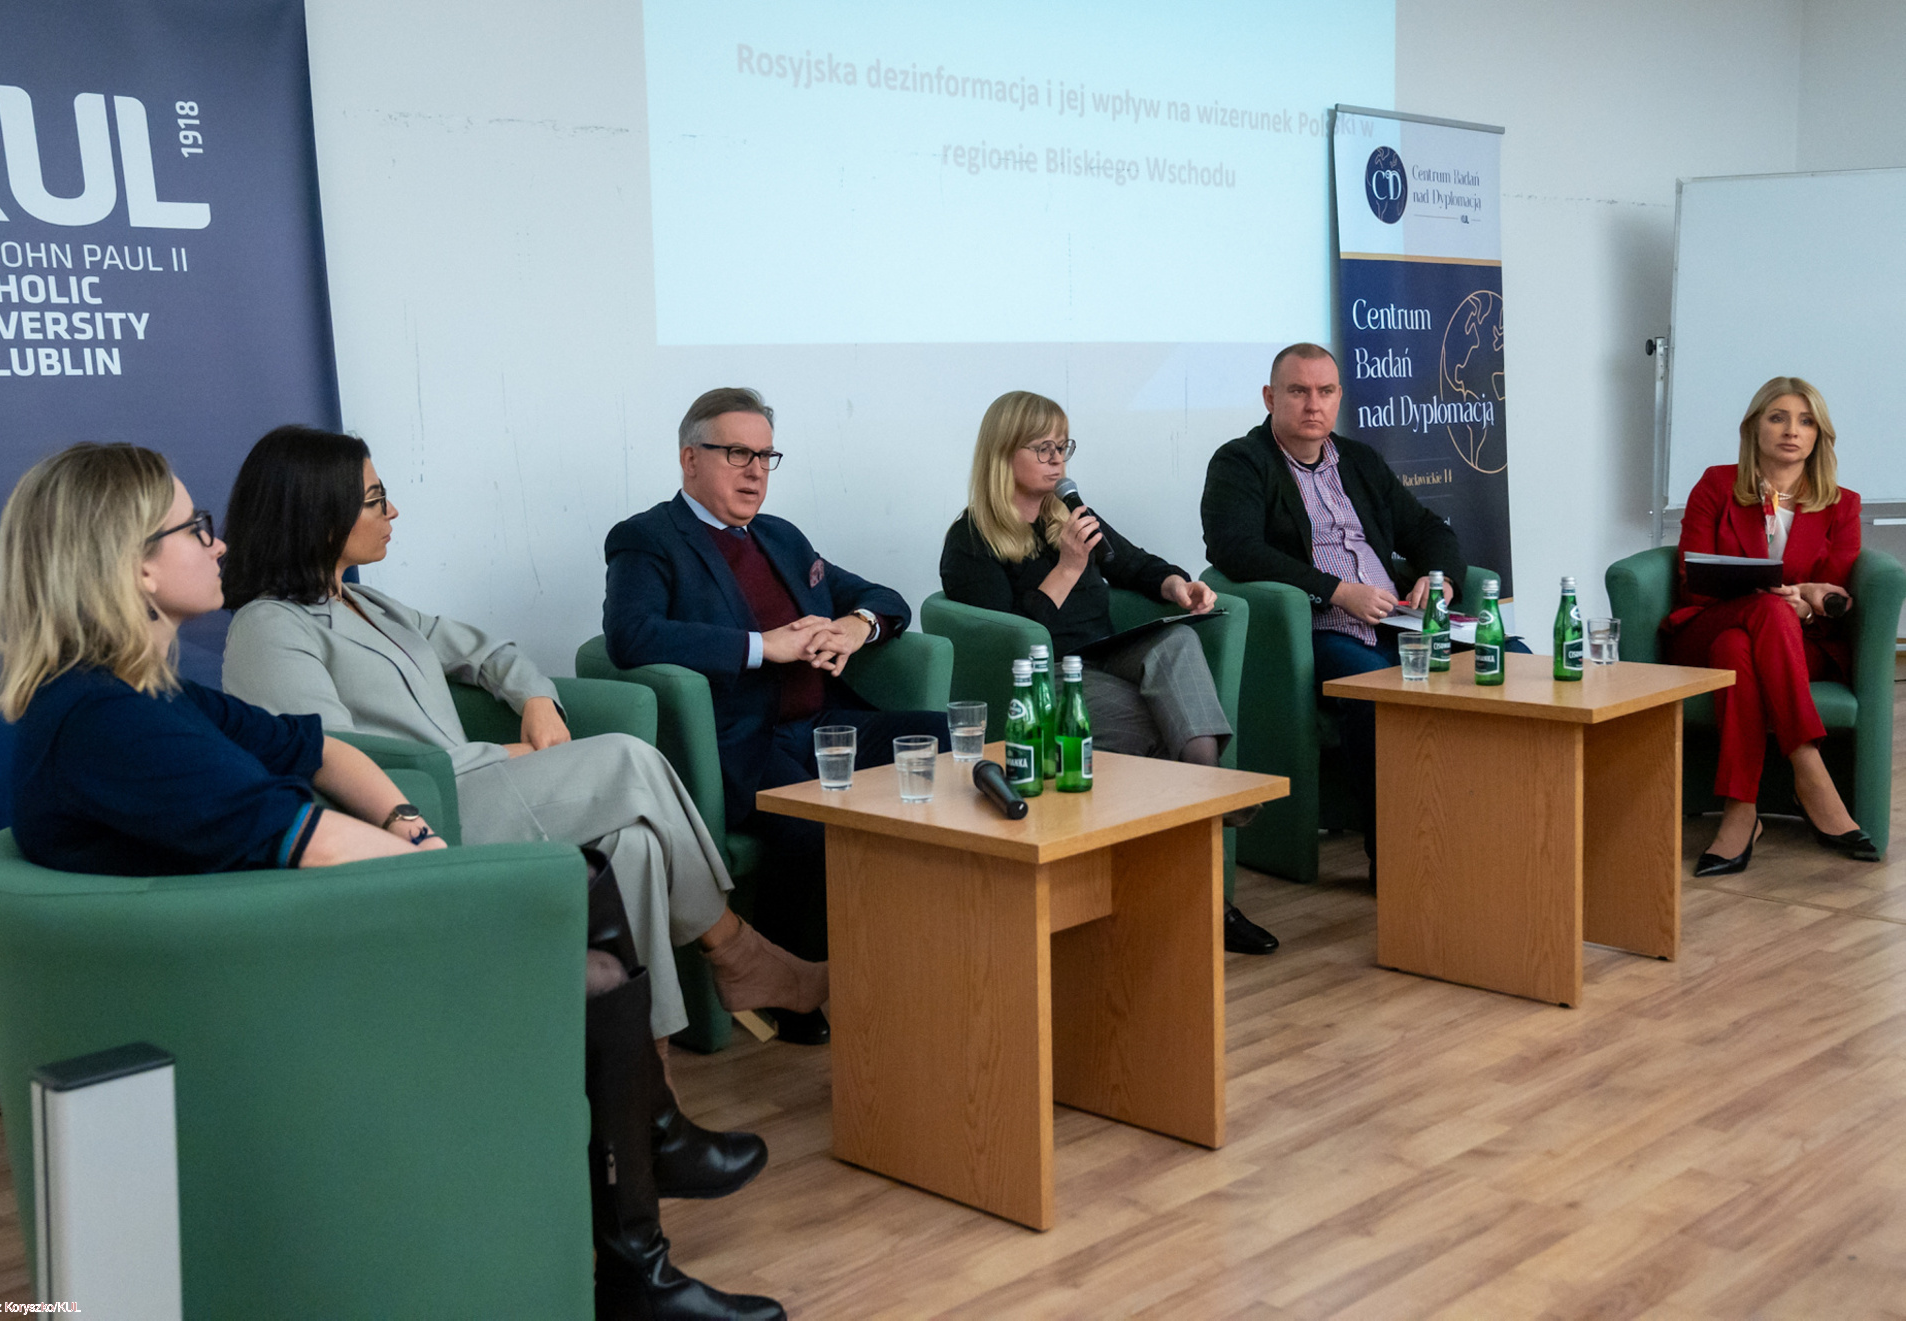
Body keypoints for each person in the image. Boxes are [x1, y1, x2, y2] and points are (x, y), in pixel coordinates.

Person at [0, 442, 784, 1321]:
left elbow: (320, 749)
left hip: (280, 936)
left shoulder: (136, 699)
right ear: (133, 564)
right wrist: (461, 882)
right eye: (195, 528)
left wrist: (411, 825)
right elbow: (316, 843)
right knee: (591, 925)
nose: (218, 544)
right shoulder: (118, 723)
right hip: (264, 985)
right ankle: (643, 1251)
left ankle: (645, 1224)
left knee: (599, 876)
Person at [218, 425, 827, 1047]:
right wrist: (495, 753)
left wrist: (536, 701)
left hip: (480, 786)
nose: (392, 510)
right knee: (628, 757)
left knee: (635, 845)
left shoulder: (373, 605)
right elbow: (334, 757)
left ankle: (643, 1073)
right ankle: (734, 948)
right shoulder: (268, 628)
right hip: (418, 817)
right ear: (319, 516)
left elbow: (490, 652)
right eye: (376, 500)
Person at [601, 388, 948, 1044]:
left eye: (765, 456)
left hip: (826, 725)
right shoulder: (648, 539)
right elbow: (631, 635)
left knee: (948, 741)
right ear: (690, 459)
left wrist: (856, 625)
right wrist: (764, 647)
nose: (755, 472)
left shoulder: (782, 537)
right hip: (743, 743)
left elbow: (881, 596)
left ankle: (929, 945)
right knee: (815, 821)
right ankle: (794, 989)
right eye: (737, 453)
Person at [939, 390, 1279, 956]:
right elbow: (1013, 640)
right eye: (1042, 448)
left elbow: (1134, 562)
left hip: (1106, 652)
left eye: (1063, 446)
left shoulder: (1069, 514)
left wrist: (1178, 585)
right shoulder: (972, 540)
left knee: (1177, 640)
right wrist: (1069, 566)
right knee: (1163, 727)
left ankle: (1206, 788)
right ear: (1003, 453)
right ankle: (1211, 888)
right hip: (1051, 681)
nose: (1057, 460)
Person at [1202, 343, 1513, 873]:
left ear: (1339, 397)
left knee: (1509, 657)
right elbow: (1235, 549)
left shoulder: (1359, 460)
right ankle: (1397, 859)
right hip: (1319, 630)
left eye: (1325, 391)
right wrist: (1337, 591)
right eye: (1298, 391)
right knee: (1379, 695)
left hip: (1395, 622)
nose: (1313, 404)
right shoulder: (1241, 462)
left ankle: (1497, 830)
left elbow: (1427, 529)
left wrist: (1438, 579)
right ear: (1270, 397)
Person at [1664, 376, 1876, 873]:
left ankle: (1741, 811)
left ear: (1819, 435)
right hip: (1707, 624)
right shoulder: (1716, 485)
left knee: (1737, 649)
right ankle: (1808, 769)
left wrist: (1807, 605)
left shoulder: (1842, 504)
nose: (1791, 430)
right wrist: (1785, 597)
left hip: (1797, 642)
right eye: (1777, 418)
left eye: (1805, 421)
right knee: (1759, 616)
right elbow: (1691, 580)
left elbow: (1836, 593)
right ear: (1754, 428)